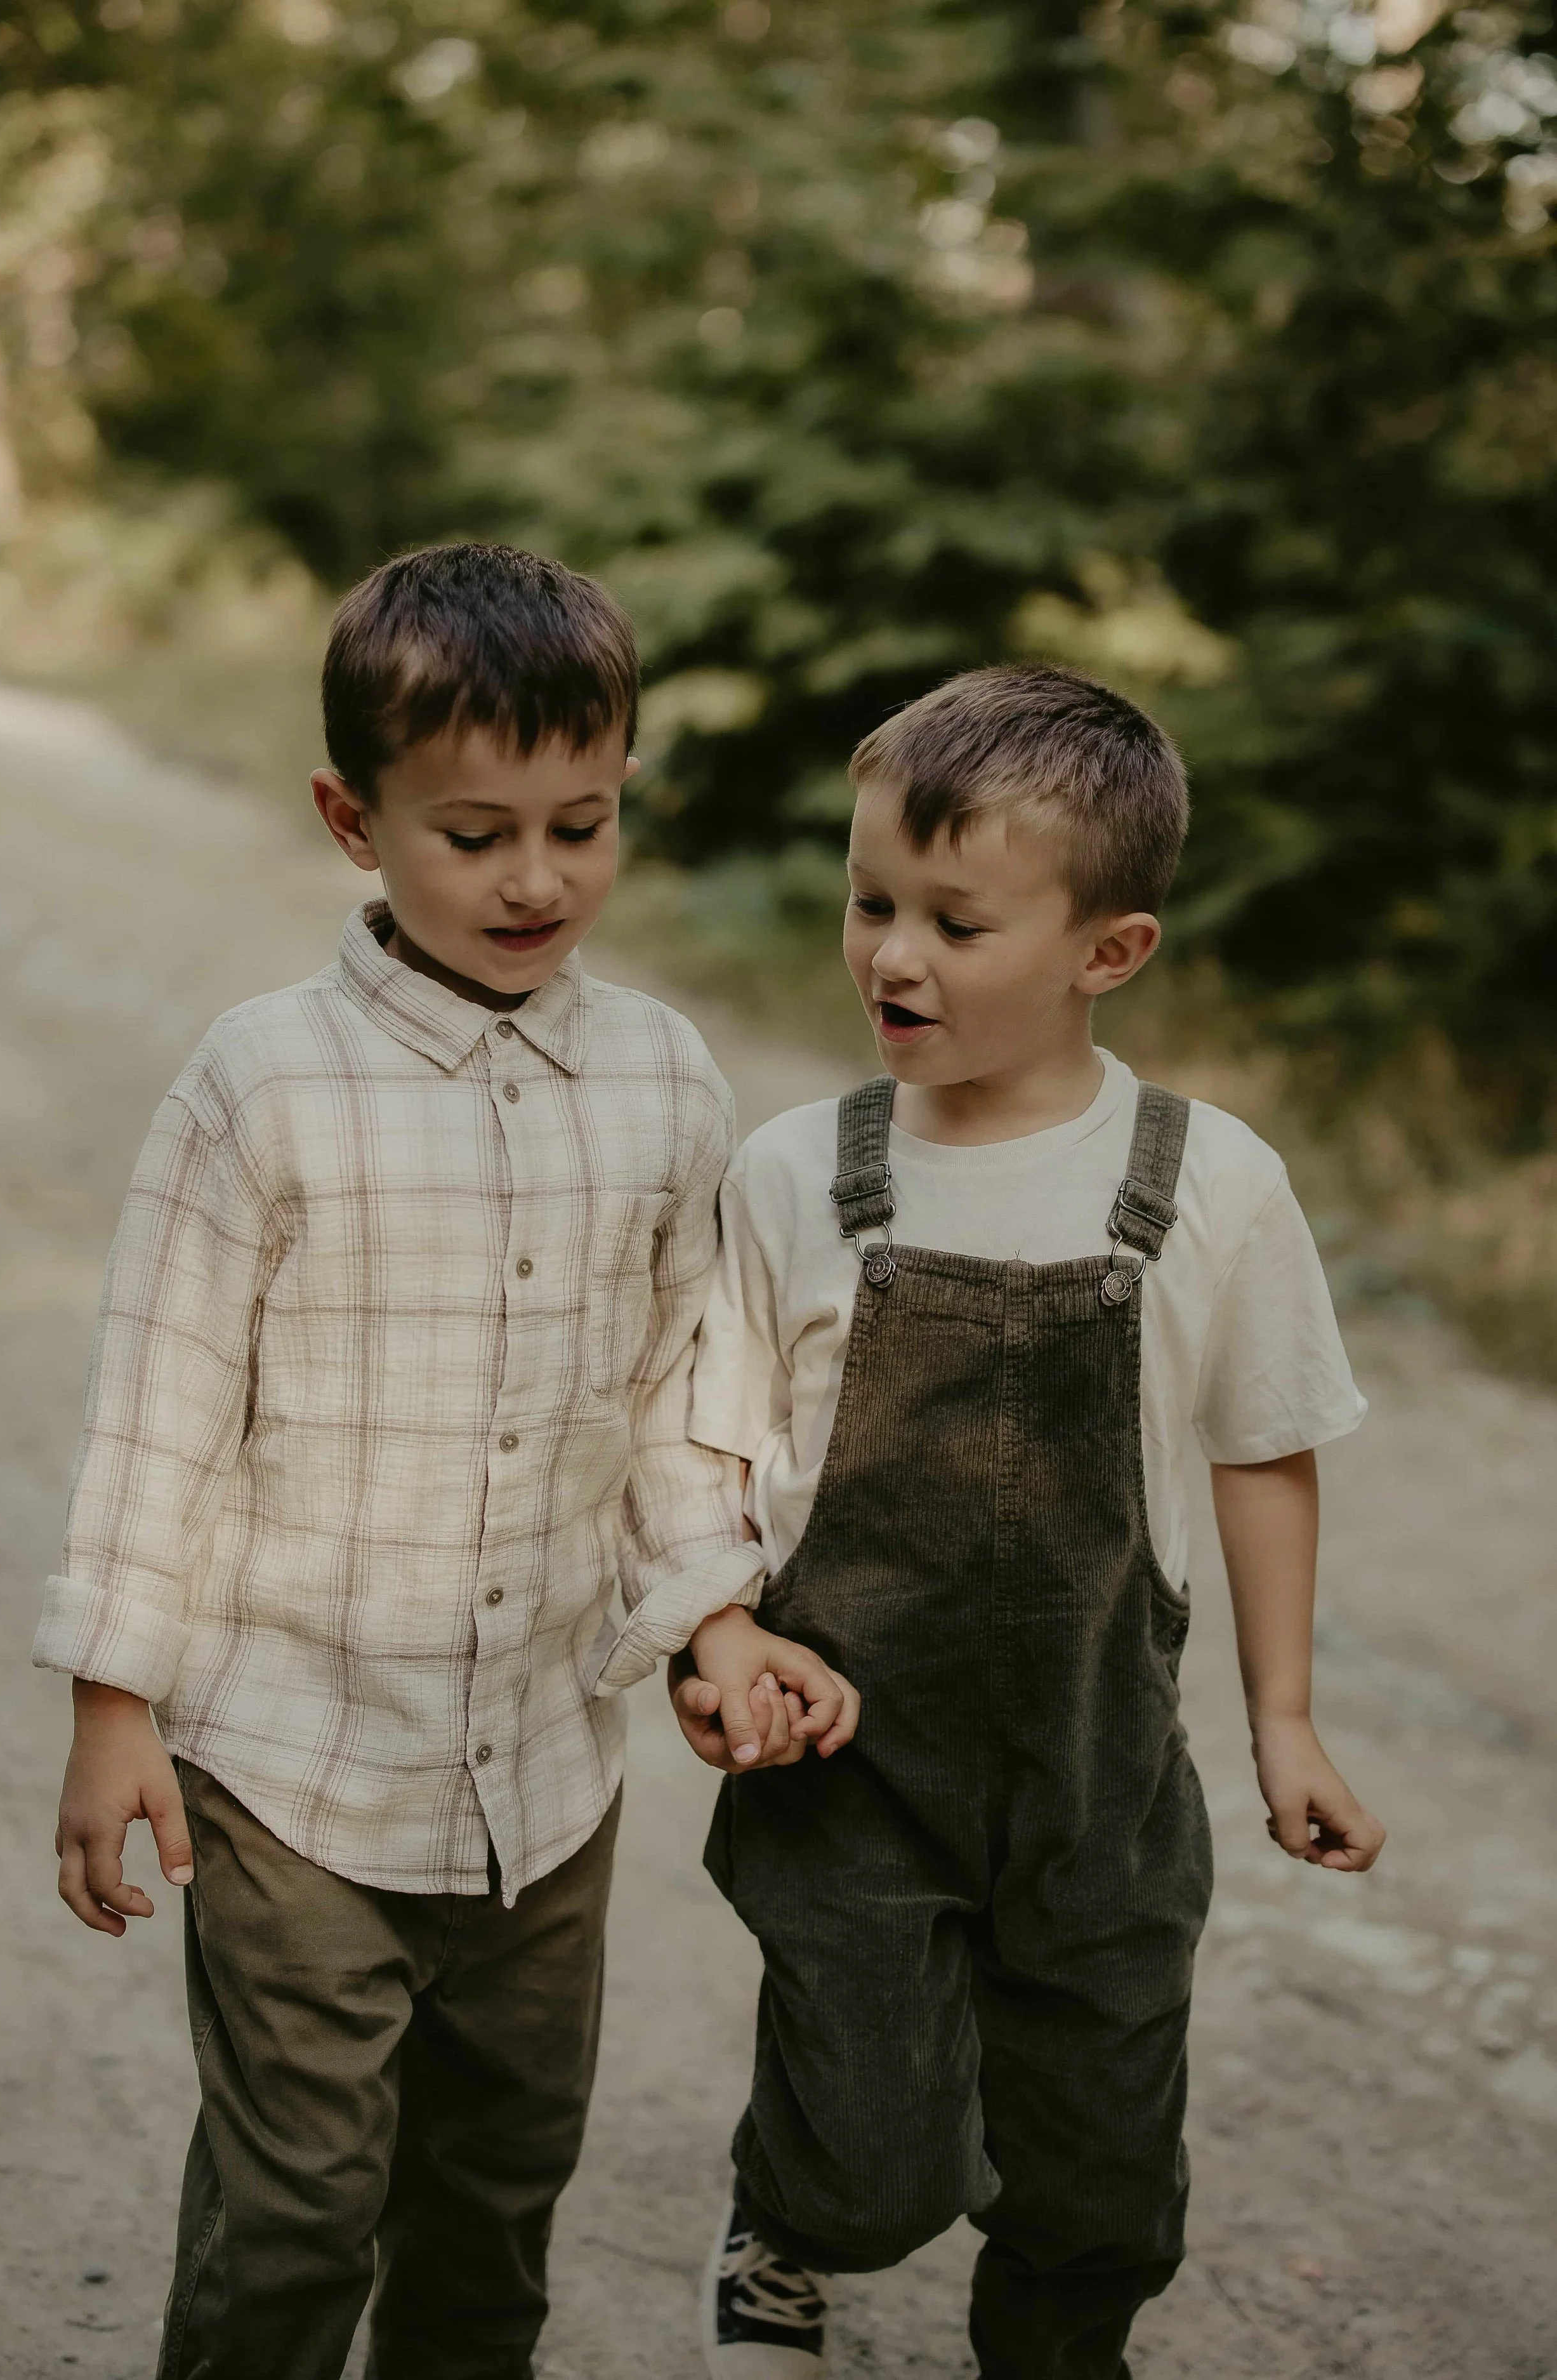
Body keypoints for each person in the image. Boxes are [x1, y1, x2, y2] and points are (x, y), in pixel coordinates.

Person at [35, 539, 853, 2380]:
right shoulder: (265, 1083)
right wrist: (114, 1701)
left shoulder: (661, 1082)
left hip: (543, 1781)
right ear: (353, 818)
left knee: (494, 2194)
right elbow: (161, 1402)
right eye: (475, 832)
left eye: (581, 822)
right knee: (300, 2200)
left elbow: (670, 1399)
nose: (536, 876)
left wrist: (713, 1623)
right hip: (290, 1765)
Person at [670, 664, 1386, 2379]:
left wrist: (1279, 1720)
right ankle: (788, 2217)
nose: (890, 955)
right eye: (868, 902)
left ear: (1105, 950)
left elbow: (1264, 1446)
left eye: (952, 921)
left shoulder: (1206, 1180)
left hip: (1097, 1782)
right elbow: (700, 1447)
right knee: (866, 2166)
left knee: (1100, 2185)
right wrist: (719, 1630)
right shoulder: (793, 1173)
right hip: (847, 1777)